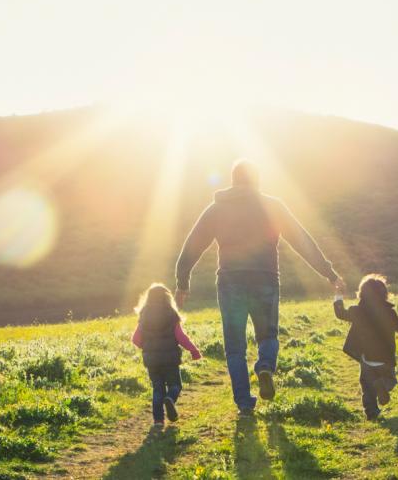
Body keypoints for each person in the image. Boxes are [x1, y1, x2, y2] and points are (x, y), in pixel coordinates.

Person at [175, 159, 345, 415]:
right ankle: (265, 365)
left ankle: (244, 403)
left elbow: (191, 246)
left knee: (234, 346)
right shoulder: (272, 206)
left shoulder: (216, 209)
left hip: (230, 281)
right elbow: (302, 241)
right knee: (268, 335)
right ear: (257, 180)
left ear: (233, 181)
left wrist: (182, 283)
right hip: (265, 278)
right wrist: (329, 274)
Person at [332, 274, 398, 420]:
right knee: (390, 381)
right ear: (384, 293)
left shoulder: (357, 311)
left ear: (362, 293)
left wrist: (338, 295)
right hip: (385, 358)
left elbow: (340, 313)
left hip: (367, 359)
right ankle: (382, 385)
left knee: (367, 387)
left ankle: (371, 413)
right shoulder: (389, 313)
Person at [131, 284, 202, 426]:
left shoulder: (144, 316)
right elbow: (181, 337)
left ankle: (158, 421)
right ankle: (170, 399)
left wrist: (147, 347)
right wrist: (193, 351)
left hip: (152, 361)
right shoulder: (171, 314)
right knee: (175, 385)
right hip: (170, 360)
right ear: (167, 298)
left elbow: (136, 339)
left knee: (157, 388)